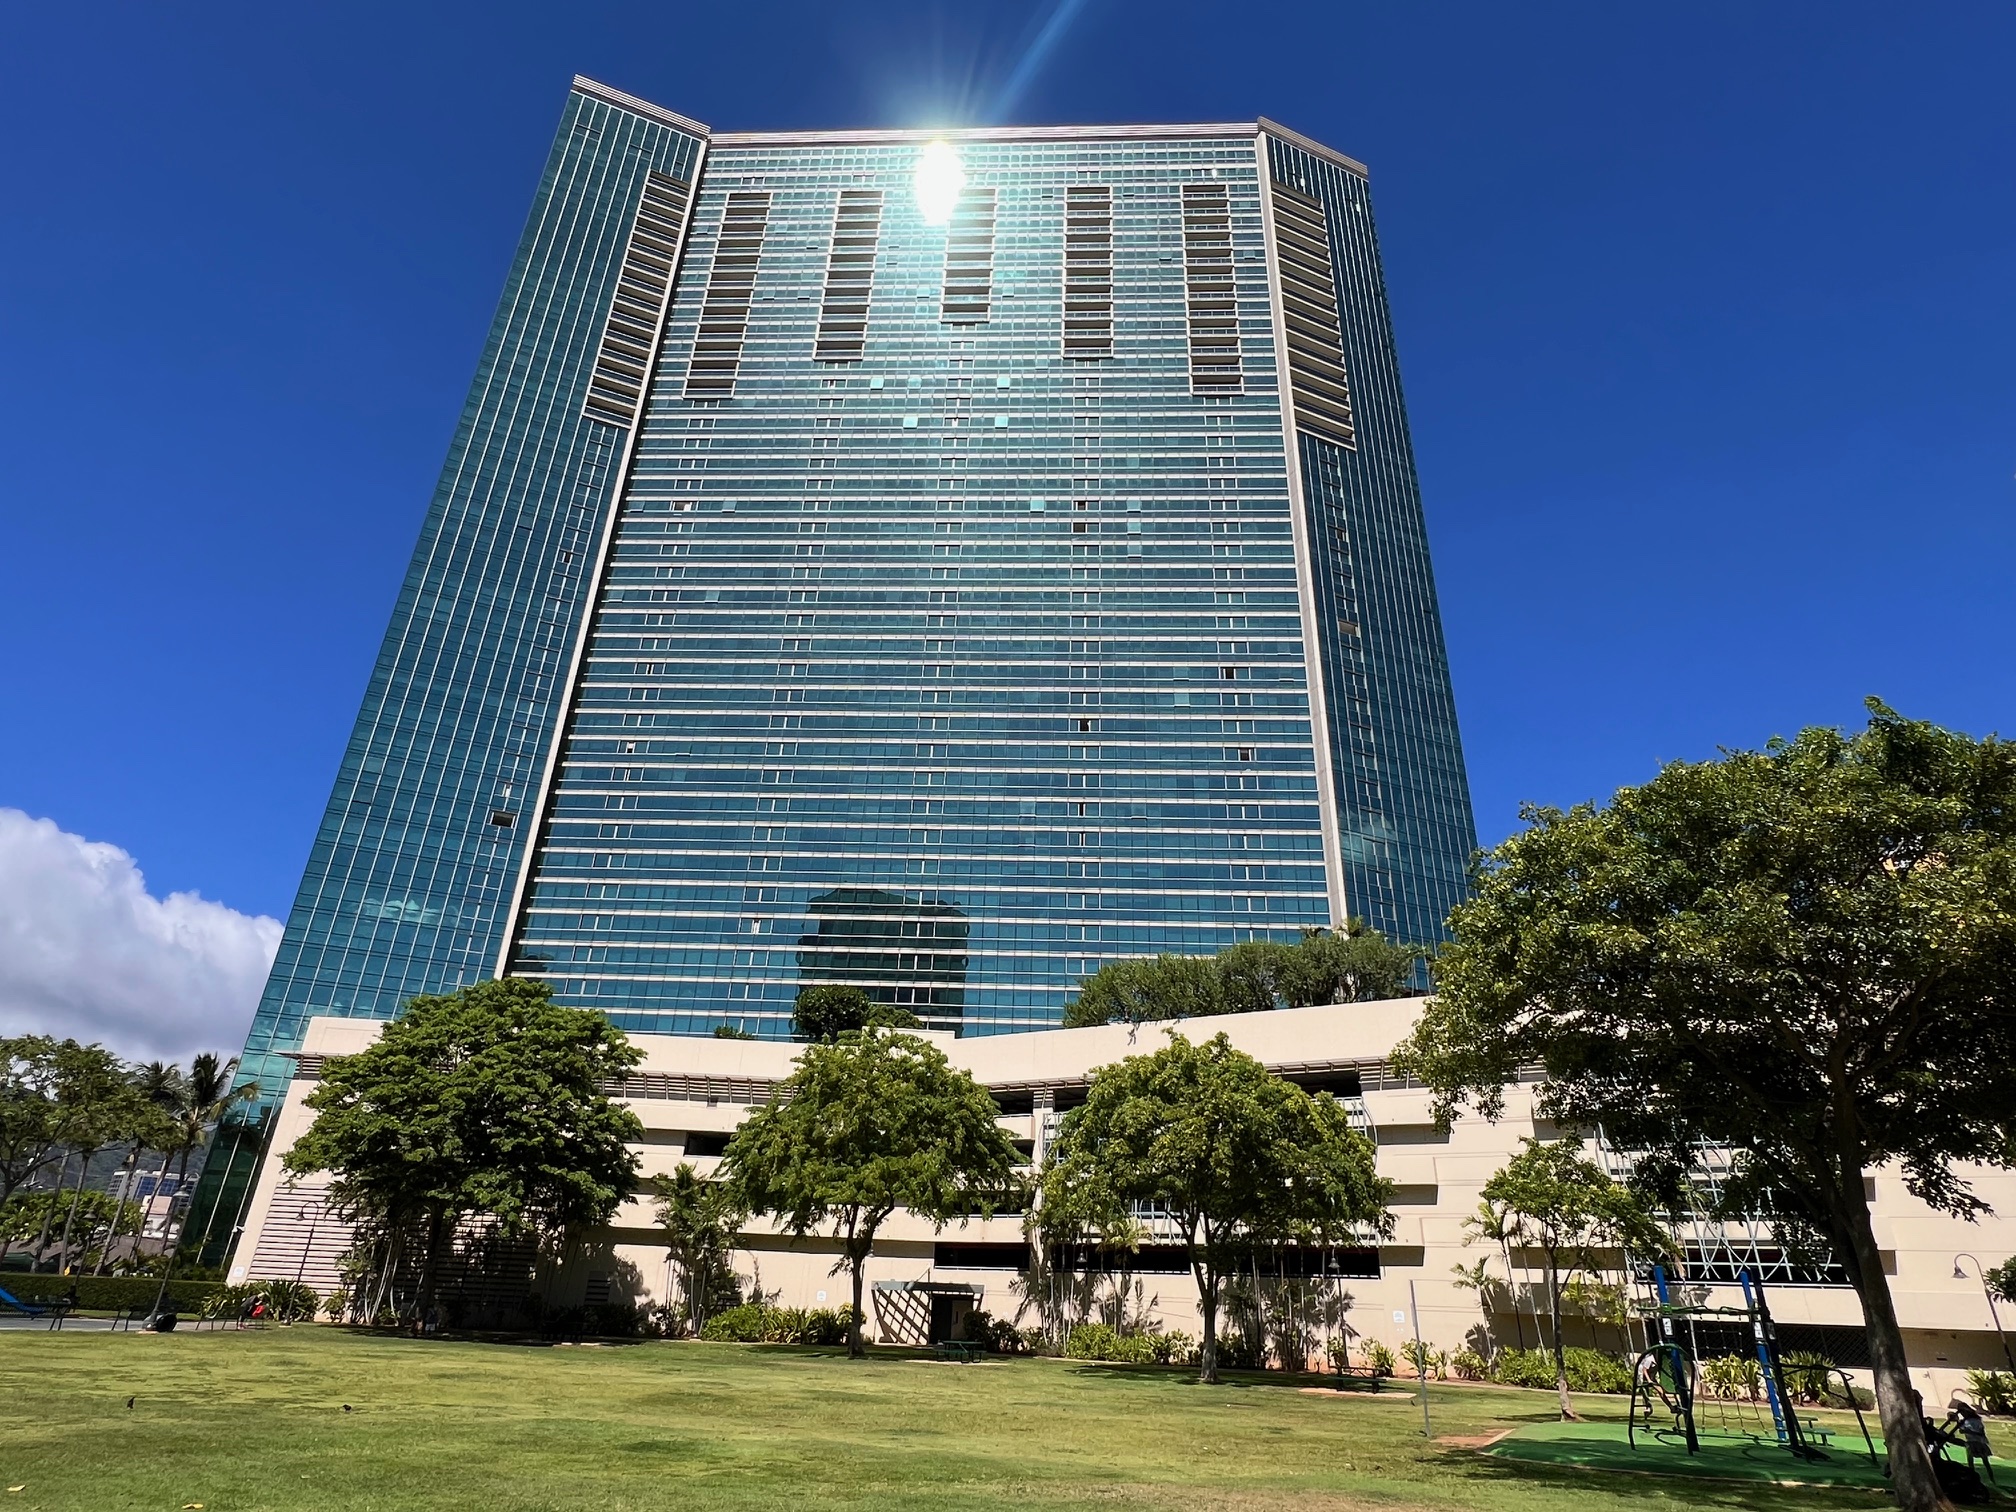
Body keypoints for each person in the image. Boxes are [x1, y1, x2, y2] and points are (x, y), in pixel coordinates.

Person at [1947, 1399, 1998, 1487]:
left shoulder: (1976, 1420)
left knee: (1985, 1462)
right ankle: (1974, 1481)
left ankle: (1992, 1480)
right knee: (1971, 1462)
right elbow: (1961, 1431)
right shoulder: (1965, 1421)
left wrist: (1969, 1431)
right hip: (1971, 1442)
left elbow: (1981, 1433)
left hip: (1979, 1442)